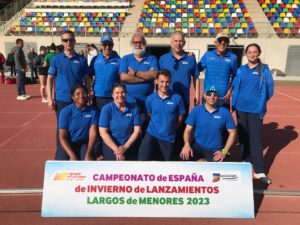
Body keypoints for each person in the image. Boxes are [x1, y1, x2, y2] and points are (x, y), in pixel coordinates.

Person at [232, 43, 274, 185]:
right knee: (243, 137)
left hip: (255, 110)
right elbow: (236, 86)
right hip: (240, 109)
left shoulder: (264, 70)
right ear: (246, 54)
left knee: (255, 140)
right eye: (249, 52)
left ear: (259, 53)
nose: (252, 54)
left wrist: (259, 103)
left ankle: (259, 170)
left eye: (255, 52)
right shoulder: (241, 70)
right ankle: (246, 162)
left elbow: (270, 90)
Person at [46, 30, 91, 160]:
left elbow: (86, 79)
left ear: (75, 41)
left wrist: (87, 95)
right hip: (62, 100)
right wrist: (50, 98)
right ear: (62, 42)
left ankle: (77, 150)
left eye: (71, 40)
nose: (69, 42)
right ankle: (62, 152)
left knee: (79, 125)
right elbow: (50, 79)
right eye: (65, 40)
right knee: (62, 127)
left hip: (79, 100)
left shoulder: (81, 60)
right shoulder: (56, 59)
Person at [159, 31, 200, 158]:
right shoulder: (163, 58)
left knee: (182, 126)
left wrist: (197, 94)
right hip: (166, 99)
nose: (178, 43)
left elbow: (196, 77)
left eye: (181, 41)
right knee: (167, 124)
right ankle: (165, 152)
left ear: (185, 42)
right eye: (175, 41)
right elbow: (158, 79)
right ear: (171, 42)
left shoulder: (191, 58)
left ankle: (181, 152)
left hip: (183, 100)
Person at [138, 69, 186, 161]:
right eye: (162, 81)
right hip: (151, 134)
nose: (164, 85)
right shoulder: (150, 99)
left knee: (168, 165)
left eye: (167, 82)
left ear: (170, 82)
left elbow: (181, 116)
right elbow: (149, 115)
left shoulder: (177, 98)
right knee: (142, 160)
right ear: (156, 81)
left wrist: (173, 128)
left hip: (168, 136)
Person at [180, 85, 236, 162]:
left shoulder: (225, 112)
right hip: (198, 147)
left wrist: (224, 151)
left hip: (215, 150)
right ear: (204, 95)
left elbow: (233, 133)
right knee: (184, 157)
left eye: (215, 95)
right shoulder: (196, 111)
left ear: (218, 96)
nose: (212, 97)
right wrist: (186, 144)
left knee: (223, 166)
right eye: (209, 94)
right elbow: (187, 130)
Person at [119, 32, 158, 133]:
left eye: (140, 42)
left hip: (148, 100)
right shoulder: (126, 58)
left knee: (148, 127)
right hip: (130, 100)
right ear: (131, 44)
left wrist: (135, 73)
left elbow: (154, 75)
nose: (138, 45)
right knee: (131, 127)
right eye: (135, 42)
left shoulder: (152, 58)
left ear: (145, 43)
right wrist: (145, 77)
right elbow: (123, 77)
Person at [99, 83, 141, 161]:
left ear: (126, 93)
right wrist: (117, 149)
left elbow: (137, 131)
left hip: (129, 144)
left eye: (122, 92)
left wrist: (126, 146)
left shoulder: (134, 108)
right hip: (111, 144)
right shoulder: (106, 109)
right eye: (117, 93)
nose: (120, 95)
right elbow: (103, 132)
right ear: (112, 95)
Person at [58, 84, 98, 160]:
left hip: (85, 144)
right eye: (77, 94)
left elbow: (93, 134)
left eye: (84, 93)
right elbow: (62, 137)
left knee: (88, 163)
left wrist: (88, 154)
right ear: (72, 97)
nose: (81, 96)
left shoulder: (93, 111)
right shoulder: (65, 112)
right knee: (61, 163)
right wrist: (72, 155)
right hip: (69, 143)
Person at [198, 32, 238, 108]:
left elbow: (236, 75)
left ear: (228, 43)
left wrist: (231, 89)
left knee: (222, 119)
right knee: (206, 119)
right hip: (208, 96)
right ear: (215, 42)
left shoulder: (233, 58)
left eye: (225, 41)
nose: (222, 43)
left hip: (224, 98)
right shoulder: (208, 55)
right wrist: (190, 57)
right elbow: (197, 69)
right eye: (220, 40)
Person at [90, 36, 121, 111]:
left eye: (110, 44)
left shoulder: (119, 60)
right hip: (98, 97)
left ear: (112, 45)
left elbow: (122, 77)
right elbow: (90, 76)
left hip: (113, 97)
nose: (107, 47)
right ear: (101, 45)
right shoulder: (95, 59)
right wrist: (90, 89)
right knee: (98, 120)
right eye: (105, 44)